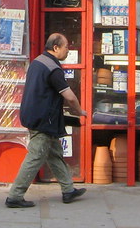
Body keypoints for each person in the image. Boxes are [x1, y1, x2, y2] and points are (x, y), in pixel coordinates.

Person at [5, 33, 88, 208]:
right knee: (35, 157)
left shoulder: (38, 61)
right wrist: (80, 111)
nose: (68, 50)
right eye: (66, 46)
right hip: (43, 120)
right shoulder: (53, 68)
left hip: (33, 114)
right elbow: (69, 96)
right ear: (56, 48)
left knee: (54, 154)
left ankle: (68, 190)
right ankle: (15, 196)